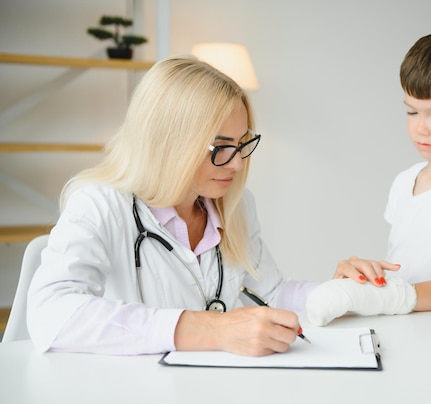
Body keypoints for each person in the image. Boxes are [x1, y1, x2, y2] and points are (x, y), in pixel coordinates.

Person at [27, 55, 316, 356]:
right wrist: (212, 329)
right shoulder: (99, 204)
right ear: (169, 142)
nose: (237, 163)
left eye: (241, 143)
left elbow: (270, 291)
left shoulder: (235, 204)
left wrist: (343, 295)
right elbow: (52, 313)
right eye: (220, 148)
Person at [307, 30, 431, 326]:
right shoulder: (405, 180)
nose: (420, 128)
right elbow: (407, 273)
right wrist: (370, 277)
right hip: (409, 324)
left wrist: (378, 298)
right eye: (412, 112)